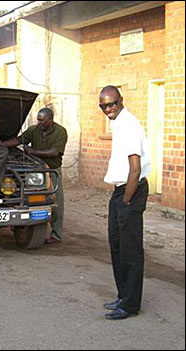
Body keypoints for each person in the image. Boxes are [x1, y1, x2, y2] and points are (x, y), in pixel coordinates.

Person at [99, 86, 150, 320]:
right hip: (121, 191)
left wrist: (127, 200)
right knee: (117, 245)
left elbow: (135, 169)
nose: (108, 108)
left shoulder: (128, 124)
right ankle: (123, 295)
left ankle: (130, 305)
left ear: (121, 100)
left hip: (131, 191)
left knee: (130, 250)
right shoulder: (118, 122)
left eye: (112, 104)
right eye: (104, 106)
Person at [3, 107, 68, 244]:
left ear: (50, 120)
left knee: (57, 201)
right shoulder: (34, 130)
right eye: (38, 120)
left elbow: (54, 152)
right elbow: (18, 140)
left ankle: (57, 234)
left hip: (52, 170)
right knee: (32, 199)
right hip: (35, 172)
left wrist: (33, 152)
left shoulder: (60, 132)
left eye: (42, 120)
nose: (39, 123)